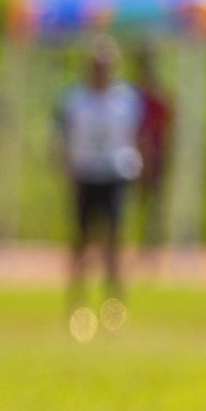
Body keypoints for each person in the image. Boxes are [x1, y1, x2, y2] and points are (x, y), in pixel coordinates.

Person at [54, 40, 143, 308]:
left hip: (116, 172)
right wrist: (64, 166)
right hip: (85, 173)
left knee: (114, 236)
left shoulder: (126, 99)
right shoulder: (74, 99)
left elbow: (137, 136)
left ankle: (114, 298)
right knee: (81, 237)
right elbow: (61, 137)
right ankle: (76, 297)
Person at [135, 47, 174, 255]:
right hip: (135, 156)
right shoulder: (132, 97)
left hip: (155, 155)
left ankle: (151, 244)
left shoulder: (158, 99)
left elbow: (168, 124)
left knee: (154, 203)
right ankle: (137, 241)